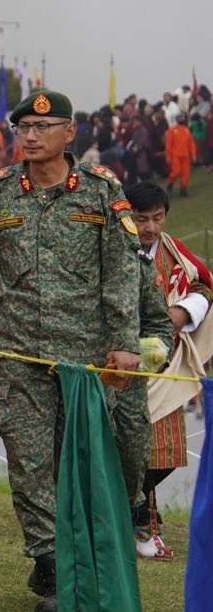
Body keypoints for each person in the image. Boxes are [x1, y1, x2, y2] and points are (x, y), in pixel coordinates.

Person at [0, 89, 141, 612]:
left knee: (77, 465)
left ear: (69, 133)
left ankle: (76, 557)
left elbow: (122, 274)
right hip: (17, 353)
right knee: (28, 462)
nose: (30, 136)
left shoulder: (102, 193)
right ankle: (54, 567)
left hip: (83, 359)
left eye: (43, 127)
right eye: (22, 130)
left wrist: (124, 343)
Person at [120, 182, 210, 560]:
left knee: (166, 453)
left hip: (165, 364)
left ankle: (133, 519)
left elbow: (204, 284)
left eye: (157, 219)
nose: (150, 228)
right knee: (128, 451)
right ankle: (138, 527)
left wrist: (182, 311)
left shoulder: (173, 251)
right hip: (119, 363)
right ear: (128, 217)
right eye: (142, 219)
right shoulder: (115, 247)